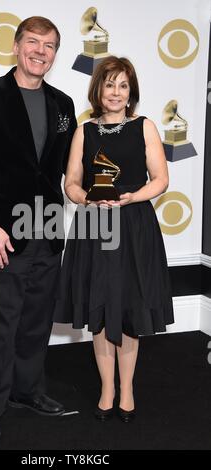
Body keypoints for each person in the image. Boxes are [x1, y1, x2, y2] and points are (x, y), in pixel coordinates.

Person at [0, 16, 76, 441]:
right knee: (1, 320)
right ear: (15, 46)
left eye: (49, 45)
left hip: (47, 229)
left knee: (36, 319)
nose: (40, 51)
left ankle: (27, 390)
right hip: (3, 231)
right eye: (33, 42)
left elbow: (69, 168)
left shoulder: (63, 105)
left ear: (55, 54)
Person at [54, 56, 174, 423]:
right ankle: (107, 389)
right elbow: (71, 182)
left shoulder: (145, 126)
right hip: (94, 226)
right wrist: (86, 198)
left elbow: (160, 179)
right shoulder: (83, 131)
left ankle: (128, 389)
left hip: (134, 225)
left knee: (129, 310)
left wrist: (131, 197)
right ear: (99, 90)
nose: (116, 92)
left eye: (123, 85)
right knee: (101, 310)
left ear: (130, 91)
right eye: (110, 85)